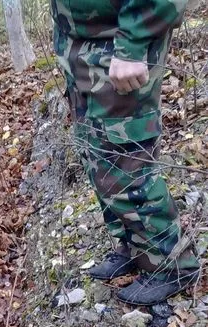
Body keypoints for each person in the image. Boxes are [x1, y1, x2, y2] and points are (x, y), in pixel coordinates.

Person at [51, 0, 200, 305]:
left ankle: (171, 265)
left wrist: (132, 45)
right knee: (97, 157)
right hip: (83, 51)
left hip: (120, 47)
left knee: (126, 162)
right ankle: (134, 246)